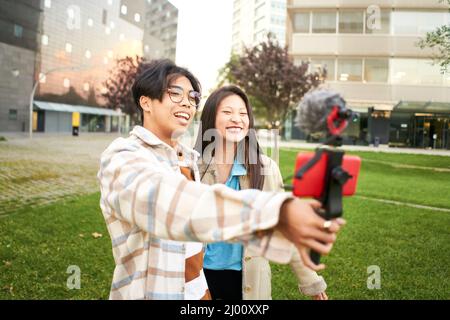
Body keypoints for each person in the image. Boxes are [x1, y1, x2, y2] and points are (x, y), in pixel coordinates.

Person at [97, 59, 344, 300]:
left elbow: (195, 253)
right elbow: (171, 205)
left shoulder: (186, 161)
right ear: (146, 102)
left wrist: (307, 274)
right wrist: (277, 212)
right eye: (175, 94)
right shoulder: (122, 157)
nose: (186, 103)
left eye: (192, 98)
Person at [195, 85, 328, 300]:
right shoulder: (192, 167)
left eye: (243, 113)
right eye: (227, 112)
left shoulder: (265, 169)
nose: (237, 119)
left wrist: (310, 281)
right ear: (211, 118)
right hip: (199, 279)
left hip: (249, 280)